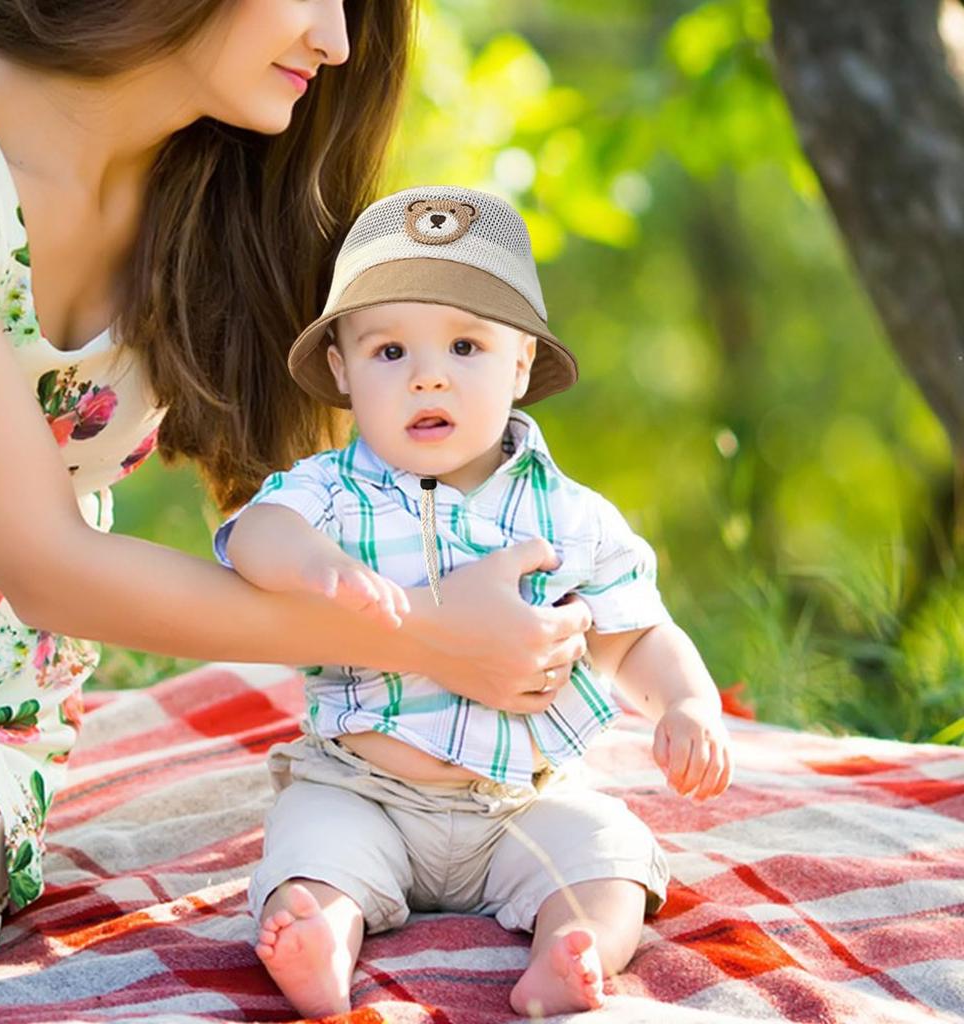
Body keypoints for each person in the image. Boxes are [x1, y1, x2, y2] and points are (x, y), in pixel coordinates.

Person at [0, 2, 596, 979]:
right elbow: (41, 563)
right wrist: (429, 635)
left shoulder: (208, 188)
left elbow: (320, 501)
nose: (336, 41)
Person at [214, 186, 735, 1018]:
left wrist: (687, 703)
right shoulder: (330, 493)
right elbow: (254, 535)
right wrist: (315, 563)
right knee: (310, 851)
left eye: (465, 345)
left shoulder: (570, 515)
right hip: (365, 787)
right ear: (343, 371)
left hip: (522, 801)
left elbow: (634, 634)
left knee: (609, 854)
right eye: (390, 351)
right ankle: (322, 942)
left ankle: (573, 952)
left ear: (520, 363)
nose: (428, 376)